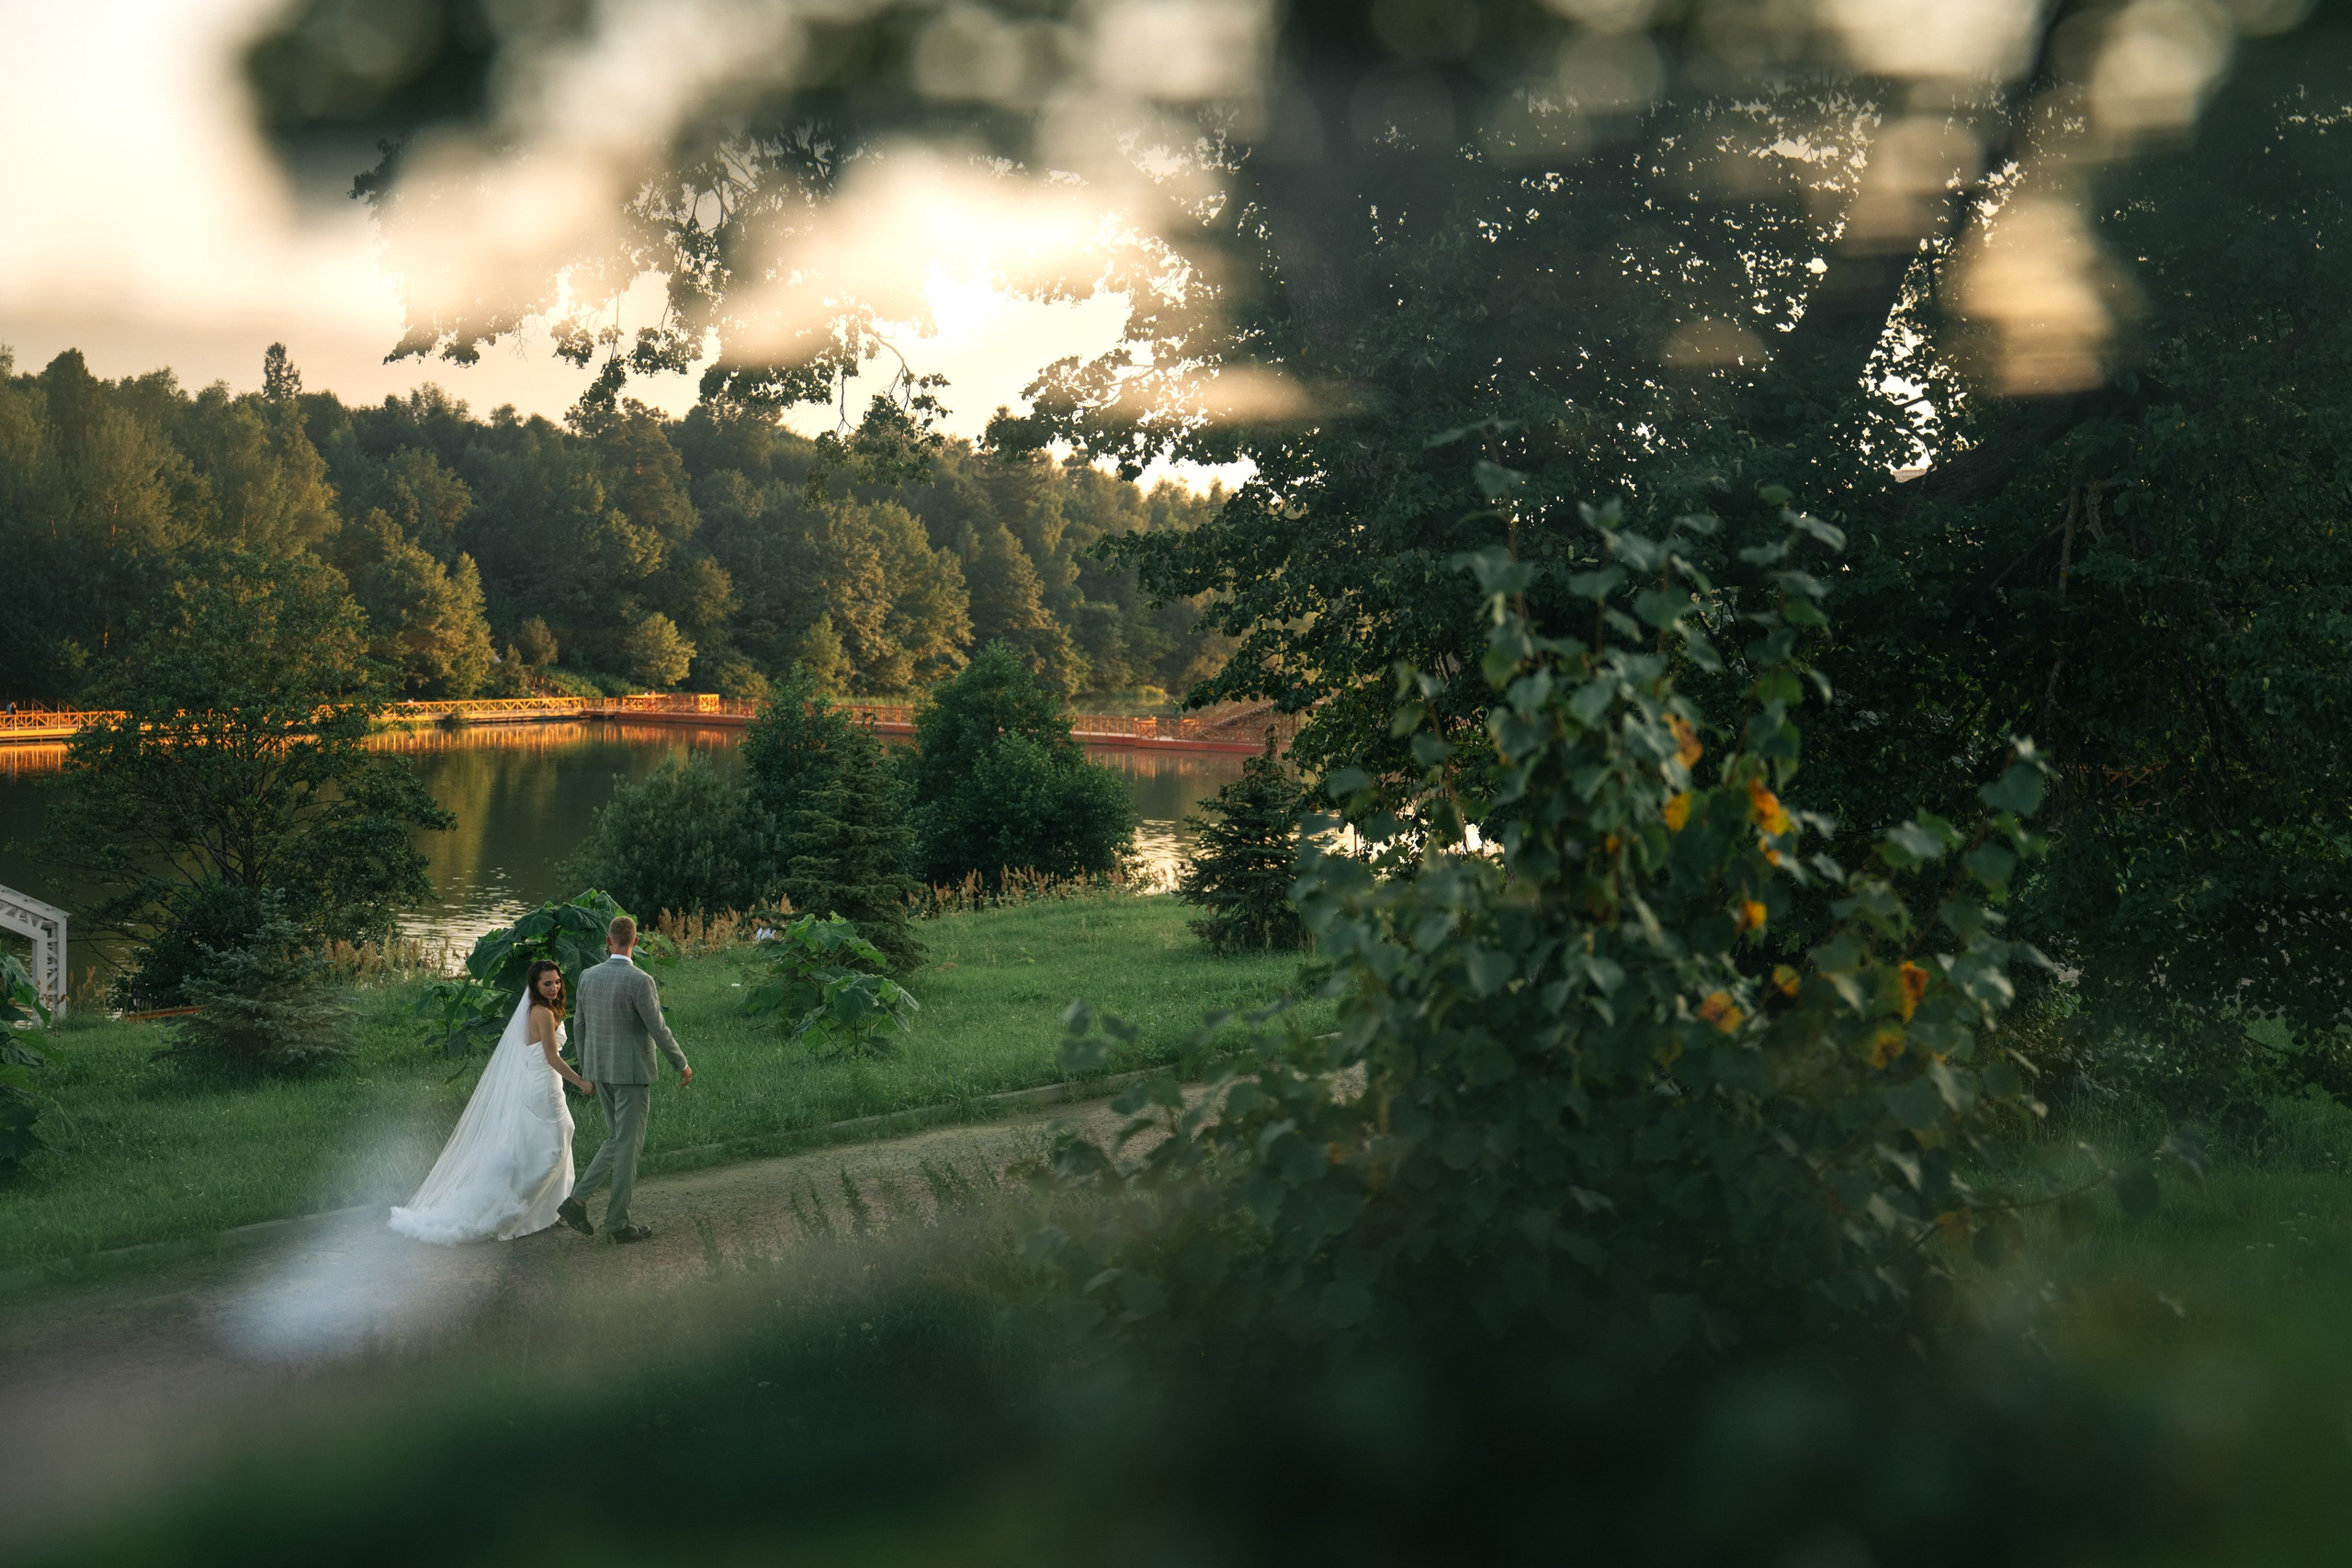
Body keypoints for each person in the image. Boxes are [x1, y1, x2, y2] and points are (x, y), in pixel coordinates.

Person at [390, 960, 594, 1245]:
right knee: (553, 1149)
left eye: (557, 982)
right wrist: (582, 1081)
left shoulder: (536, 1011)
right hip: (543, 1087)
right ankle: (509, 1216)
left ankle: (550, 1210)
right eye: (547, 983)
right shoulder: (542, 1014)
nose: (554, 987)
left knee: (549, 1145)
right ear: (535, 986)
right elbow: (551, 1057)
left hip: (538, 1084)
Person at [560, 915, 692, 1243]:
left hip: (600, 1070)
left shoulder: (588, 976)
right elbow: (657, 1028)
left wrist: (587, 1070)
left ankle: (581, 1204)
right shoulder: (640, 980)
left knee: (618, 1139)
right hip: (631, 1075)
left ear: (608, 941)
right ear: (635, 942)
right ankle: (613, 1223)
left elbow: (579, 1026)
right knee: (626, 1146)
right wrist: (681, 1063)